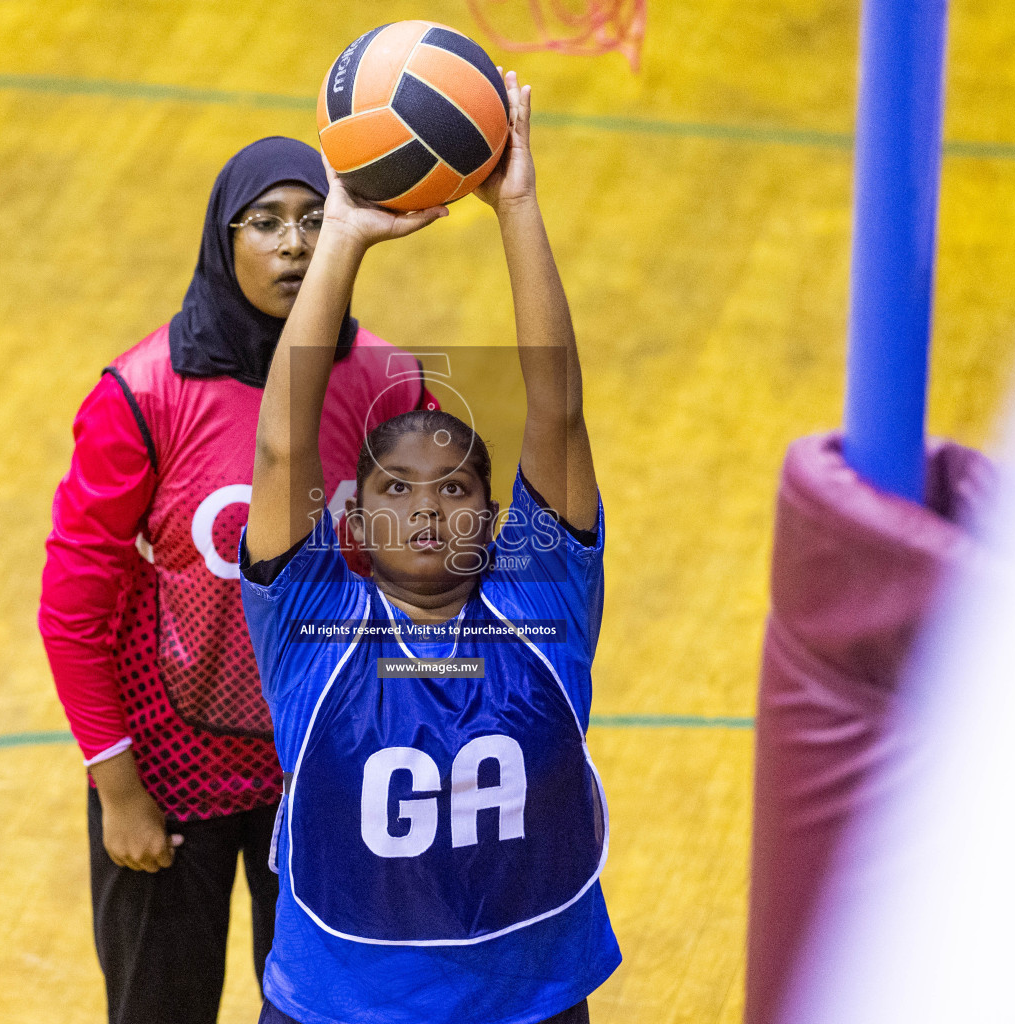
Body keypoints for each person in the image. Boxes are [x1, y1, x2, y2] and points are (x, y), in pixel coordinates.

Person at [239, 73, 620, 1024]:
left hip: (525, 1004)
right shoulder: (310, 625)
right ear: (352, 528)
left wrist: (517, 206)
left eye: (454, 489)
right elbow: (284, 440)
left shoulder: (543, 606)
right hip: (337, 1007)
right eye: (395, 490)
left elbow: (558, 412)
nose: (427, 508)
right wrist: (341, 235)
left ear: (495, 521)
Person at [39, 136, 432, 1024]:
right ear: (225, 242)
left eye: (315, 222)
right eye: (266, 223)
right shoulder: (143, 393)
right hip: (170, 765)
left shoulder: (391, 384)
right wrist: (120, 790)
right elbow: (73, 610)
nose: (293, 244)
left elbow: (427, 586)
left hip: (325, 765)